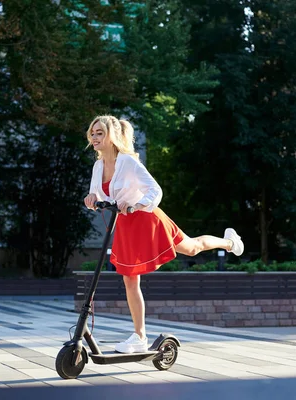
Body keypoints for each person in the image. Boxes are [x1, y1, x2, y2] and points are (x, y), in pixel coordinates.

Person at [83, 115, 244, 354]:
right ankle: (139, 336)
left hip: (147, 219)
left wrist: (138, 205)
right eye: (92, 133)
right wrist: (92, 200)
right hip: (125, 225)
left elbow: (155, 190)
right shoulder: (98, 166)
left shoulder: (128, 162)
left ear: (112, 136)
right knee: (129, 279)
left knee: (192, 248)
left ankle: (230, 241)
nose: (94, 137)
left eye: (99, 133)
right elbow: (98, 195)